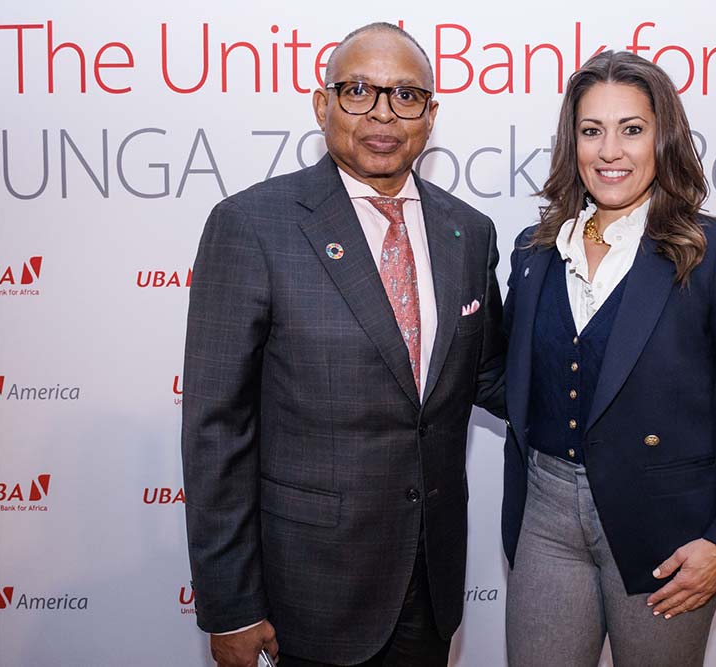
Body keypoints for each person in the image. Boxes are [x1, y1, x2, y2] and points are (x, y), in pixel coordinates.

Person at [181, 22, 505, 667]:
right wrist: (231, 604)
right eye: (358, 90)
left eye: (406, 95)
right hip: (307, 590)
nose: (383, 113)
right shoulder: (251, 225)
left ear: (431, 114)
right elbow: (216, 429)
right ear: (321, 103)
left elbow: (490, 375)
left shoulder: (469, 231)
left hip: (430, 583)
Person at [501, 50, 716, 667]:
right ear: (572, 143)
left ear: (663, 139)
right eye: (591, 130)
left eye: (631, 129)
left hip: (668, 529)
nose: (610, 151)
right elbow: (510, 379)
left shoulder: (714, 252)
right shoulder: (535, 250)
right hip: (545, 517)